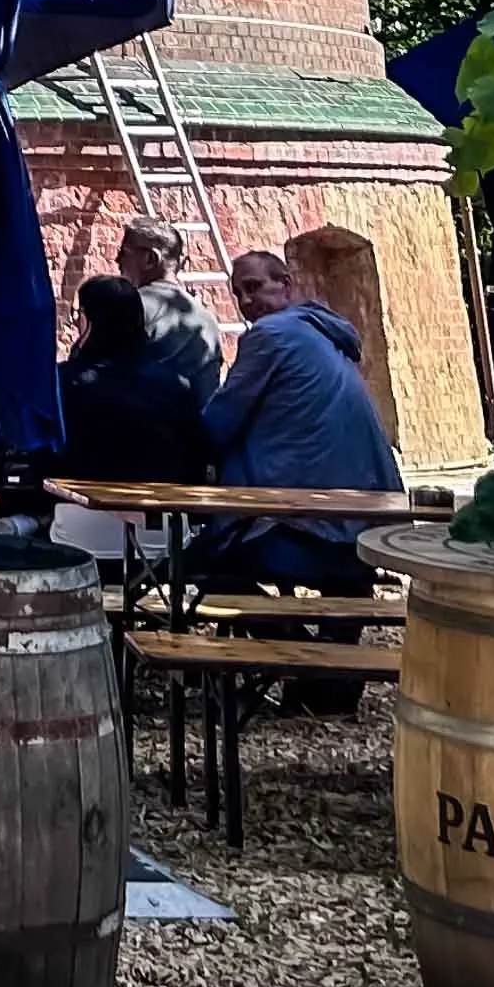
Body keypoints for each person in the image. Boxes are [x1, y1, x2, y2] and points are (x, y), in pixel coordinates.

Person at [197, 249, 403, 691]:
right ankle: (331, 689)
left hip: (317, 522)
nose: (246, 301)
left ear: (285, 285)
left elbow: (220, 420)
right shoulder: (327, 334)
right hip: (367, 521)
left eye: (254, 287)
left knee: (208, 566)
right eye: (238, 293)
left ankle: (302, 662)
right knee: (350, 581)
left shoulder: (272, 335)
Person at [51, 274, 209, 563]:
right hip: (163, 532)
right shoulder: (175, 384)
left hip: (82, 527)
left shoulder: (64, 383)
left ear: (91, 320)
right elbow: (196, 457)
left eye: (80, 315)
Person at [116, 220, 224, 409]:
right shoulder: (207, 320)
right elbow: (209, 398)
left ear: (150, 259)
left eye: (124, 253)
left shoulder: (129, 307)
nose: (117, 261)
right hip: (186, 433)